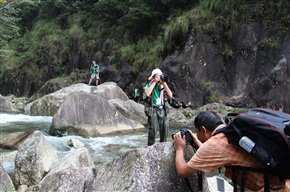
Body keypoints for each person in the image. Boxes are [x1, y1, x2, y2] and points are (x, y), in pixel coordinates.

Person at [173, 111, 290, 191]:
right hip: (283, 183)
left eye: (197, 132)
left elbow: (183, 171)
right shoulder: (233, 132)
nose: (196, 135)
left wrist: (179, 148)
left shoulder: (214, 145)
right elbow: (218, 154)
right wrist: (198, 144)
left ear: (203, 130)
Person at [144, 68, 173, 146]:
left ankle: (163, 146)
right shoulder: (149, 85)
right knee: (153, 129)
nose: (160, 77)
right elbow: (147, 93)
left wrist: (164, 84)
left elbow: (170, 95)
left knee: (165, 129)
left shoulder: (163, 85)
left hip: (163, 109)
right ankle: (150, 147)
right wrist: (154, 82)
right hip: (153, 109)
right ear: (153, 77)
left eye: (160, 75)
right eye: (158, 76)